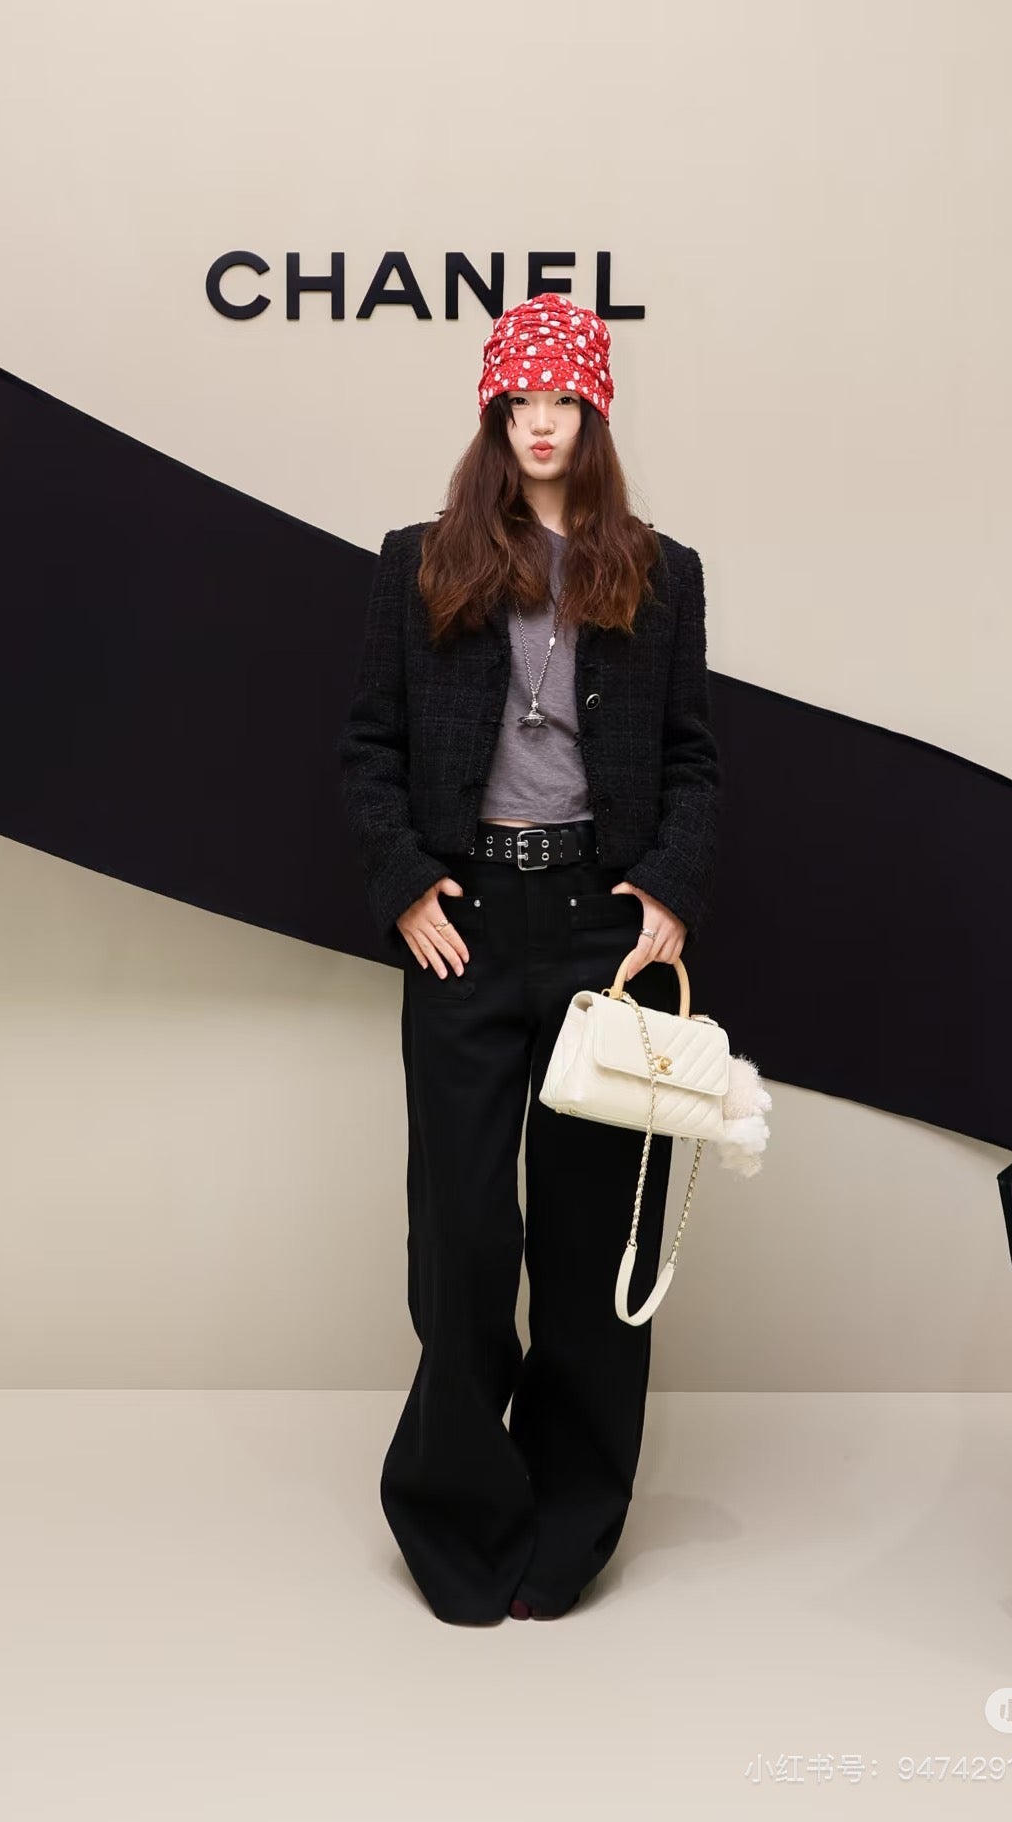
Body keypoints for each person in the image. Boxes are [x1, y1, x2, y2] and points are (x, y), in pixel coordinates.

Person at [337, 293, 721, 1626]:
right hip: (468, 927)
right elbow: (368, 747)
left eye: (565, 401)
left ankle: (570, 1522)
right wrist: (404, 885)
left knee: (587, 1244)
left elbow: (694, 760)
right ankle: (458, 1511)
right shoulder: (419, 561)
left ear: (593, 413)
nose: (542, 423)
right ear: (494, 413)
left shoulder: (661, 573)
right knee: (462, 1238)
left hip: (600, 938)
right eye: (522, 400)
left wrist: (667, 890)